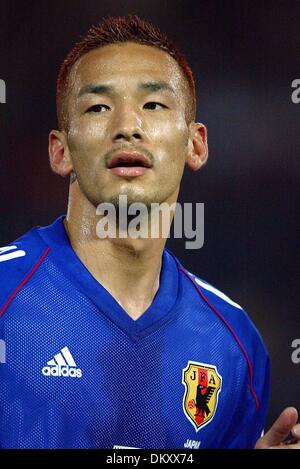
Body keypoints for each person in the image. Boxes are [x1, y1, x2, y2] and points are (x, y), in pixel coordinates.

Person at [0, 14, 298, 450]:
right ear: (60, 151)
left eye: (154, 105)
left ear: (195, 144)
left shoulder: (234, 345)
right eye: (98, 107)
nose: (127, 126)